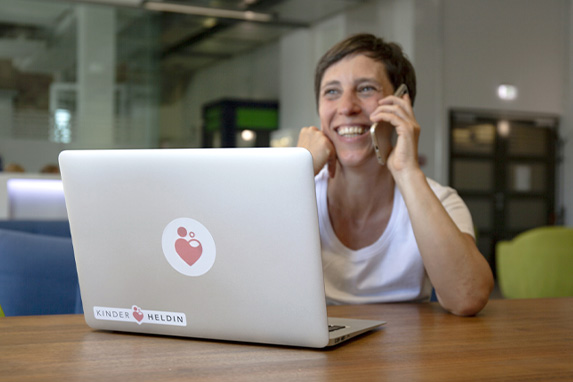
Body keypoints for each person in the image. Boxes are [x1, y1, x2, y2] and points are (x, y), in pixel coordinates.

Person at [297, 33, 493, 316]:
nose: (346, 107)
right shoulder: (299, 190)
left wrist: (407, 171)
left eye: (365, 89)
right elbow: (246, 278)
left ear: (402, 102)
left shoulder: (439, 200)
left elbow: (468, 297)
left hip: (405, 353)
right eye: (331, 91)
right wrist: (296, 173)